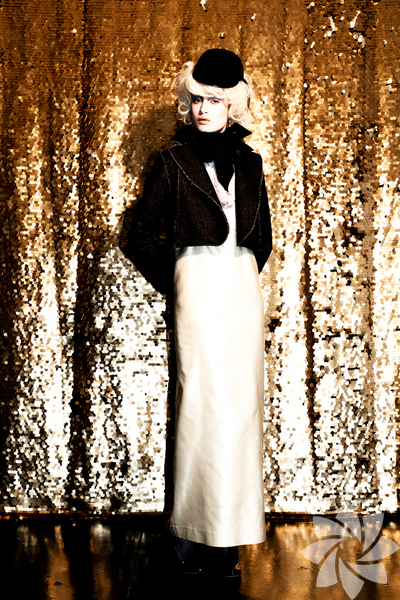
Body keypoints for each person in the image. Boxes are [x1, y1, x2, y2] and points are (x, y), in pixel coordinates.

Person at [124, 48, 273, 584]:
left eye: (214, 100)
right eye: (195, 99)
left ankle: (228, 536)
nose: (203, 109)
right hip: (196, 289)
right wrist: (181, 279)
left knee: (239, 415)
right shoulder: (172, 161)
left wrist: (239, 273)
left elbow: (262, 237)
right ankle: (191, 534)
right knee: (199, 411)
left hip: (240, 291)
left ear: (233, 105)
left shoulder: (250, 163)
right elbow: (139, 235)